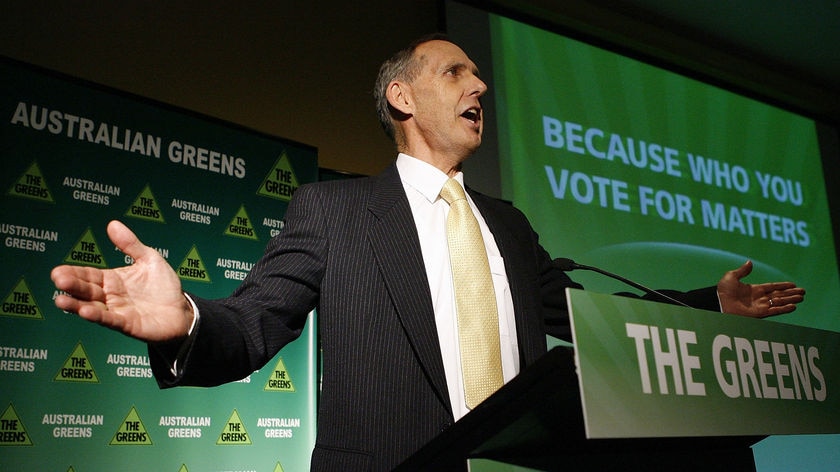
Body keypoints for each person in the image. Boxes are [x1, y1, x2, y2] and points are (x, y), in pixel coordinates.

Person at [51, 34, 805, 471]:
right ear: (402, 100)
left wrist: (709, 308)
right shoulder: (333, 210)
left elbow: (587, 319)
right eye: (456, 72)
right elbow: (252, 327)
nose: (481, 84)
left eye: (479, 75)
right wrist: (183, 318)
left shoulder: (508, 224)